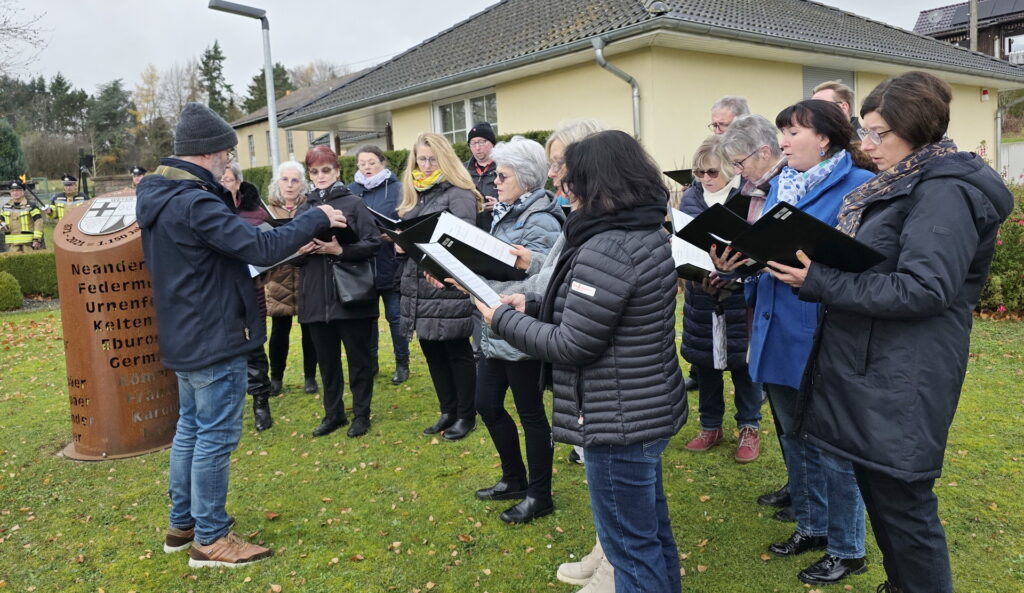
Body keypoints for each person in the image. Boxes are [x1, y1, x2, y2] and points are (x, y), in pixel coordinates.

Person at [770, 71, 1013, 593]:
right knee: (885, 500)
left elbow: (925, 288)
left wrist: (821, 281)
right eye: (865, 131)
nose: (866, 144)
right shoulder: (909, 179)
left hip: (906, 373)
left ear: (918, 130)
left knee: (905, 508)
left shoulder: (944, 190)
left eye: (879, 133)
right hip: (877, 366)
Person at [136, 102, 347, 568]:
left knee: (190, 429)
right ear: (209, 154)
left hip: (184, 334)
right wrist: (314, 219)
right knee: (213, 436)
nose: (230, 163)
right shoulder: (195, 202)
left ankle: (183, 524)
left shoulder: (159, 198)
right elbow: (257, 245)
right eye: (228, 154)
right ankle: (210, 539)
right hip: (214, 335)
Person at [479, 130, 687, 593]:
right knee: (650, 535)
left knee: (631, 549)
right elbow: (603, 314)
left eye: (568, 174)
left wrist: (499, 320)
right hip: (643, 406)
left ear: (596, 180)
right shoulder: (644, 227)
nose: (561, 182)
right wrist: (529, 307)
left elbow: (574, 344)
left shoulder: (608, 245)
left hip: (618, 420)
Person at [715, 100, 874, 586]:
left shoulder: (859, 187)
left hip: (822, 332)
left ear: (825, 138)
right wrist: (734, 268)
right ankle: (811, 526)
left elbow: (867, 267)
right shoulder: (779, 185)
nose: (782, 141)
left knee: (831, 446)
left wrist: (815, 274)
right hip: (773, 326)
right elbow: (766, 254)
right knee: (794, 438)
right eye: (781, 132)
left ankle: (848, 548)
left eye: (792, 132)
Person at [469, 136, 562, 524]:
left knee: (530, 414)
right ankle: (513, 479)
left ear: (524, 179)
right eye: (495, 174)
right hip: (492, 326)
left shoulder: (540, 220)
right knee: (487, 404)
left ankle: (540, 494)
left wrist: (483, 286)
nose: (495, 181)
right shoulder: (501, 211)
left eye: (503, 175)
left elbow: (541, 282)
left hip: (520, 329)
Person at [678, 135, 762, 463]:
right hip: (702, 296)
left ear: (729, 168)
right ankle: (710, 425)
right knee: (706, 363)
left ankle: (749, 426)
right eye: (698, 173)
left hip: (740, 296)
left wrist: (734, 273)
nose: (704, 179)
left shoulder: (749, 198)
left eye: (711, 172)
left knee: (745, 366)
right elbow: (683, 241)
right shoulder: (691, 197)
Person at [399, 132, 482, 441]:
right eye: (422, 158)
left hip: (445, 282)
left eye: (433, 158)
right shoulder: (417, 192)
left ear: (445, 158)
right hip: (417, 284)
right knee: (431, 349)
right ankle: (447, 410)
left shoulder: (458, 192)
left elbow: (462, 240)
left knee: (456, 351)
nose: (427, 164)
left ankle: (466, 415)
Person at [296, 145, 382, 438]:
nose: (320, 176)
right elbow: (289, 254)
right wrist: (300, 250)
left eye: (326, 170)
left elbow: (373, 243)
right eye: (315, 171)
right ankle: (334, 414)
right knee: (327, 362)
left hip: (350, 295)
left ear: (337, 171)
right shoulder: (304, 208)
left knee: (359, 360)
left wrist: (340, 249)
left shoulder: (354, 204)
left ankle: (361, 414)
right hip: (316, 297)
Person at [347, 145, 410, 385]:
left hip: (390, 262)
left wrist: (393, 233)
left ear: (382, 163)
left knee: (395, 316)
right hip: (363, 264)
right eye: (362, 163)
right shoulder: (351, 191)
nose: (367, 167)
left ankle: (402, 363)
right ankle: (371, 363)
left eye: (371, 162)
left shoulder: (397, 189)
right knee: (368, 318)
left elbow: (406, 220)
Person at [220, 161, 275, 432]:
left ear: (238, 183)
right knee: (224, 350)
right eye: (219, 180)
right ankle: (228, 406)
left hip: (252, 291)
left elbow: (271, 247)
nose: (223, 185)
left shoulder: (256, 213)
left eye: (228, 180)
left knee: (254, 347)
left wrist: (269, 270)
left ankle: (261, 402)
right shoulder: (207, 213)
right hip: (219, 294)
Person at [264, 161, 319, 396]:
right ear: (278, 182)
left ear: (302, 184)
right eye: (285, 179)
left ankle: (310, 377)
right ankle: (276, 378)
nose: (289, 184)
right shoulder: (268, 210)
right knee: (280, 328)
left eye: (295, 180)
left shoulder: (311, 207)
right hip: (279, 276)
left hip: (307, 272)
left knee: (310, 329)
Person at [464, 122, 499, 226]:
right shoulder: (462, 171)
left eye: (481, 142)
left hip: (497, 230)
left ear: (493, 143)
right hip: (471, 229)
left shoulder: (505, 168)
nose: (477, 147)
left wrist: (500, 205)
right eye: (473, 143)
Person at [0, 181, 44, 252]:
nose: (15, 193)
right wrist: (2, 225)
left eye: (17, 190)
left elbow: (38, 222)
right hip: (12, 245)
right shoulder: (5, 207)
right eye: (13, 191)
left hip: (29, 244)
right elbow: (1, 220)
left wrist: (37, 239)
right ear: (10, 193)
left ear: (23, 192)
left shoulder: (31, 206)